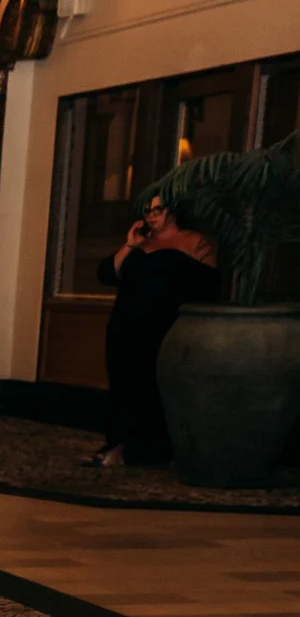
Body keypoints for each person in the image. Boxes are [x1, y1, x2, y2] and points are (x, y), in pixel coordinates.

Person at [86, 194, 219, 467]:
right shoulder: (139, 243)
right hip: (126, 325)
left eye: (158, 209)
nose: (151, 215)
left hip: (164, 327)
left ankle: (155, 451)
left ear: (172, 210)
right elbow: (106, 274)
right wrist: (129, 245)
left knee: (155, 387)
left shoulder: (194, 241)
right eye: (147, 210)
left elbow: (209, 284)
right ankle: (119, 445)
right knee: (125, 385)